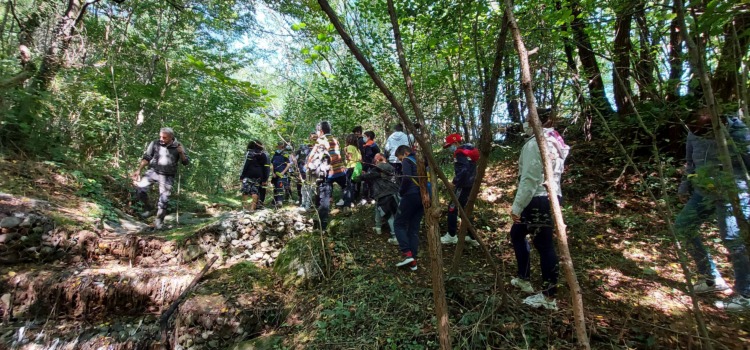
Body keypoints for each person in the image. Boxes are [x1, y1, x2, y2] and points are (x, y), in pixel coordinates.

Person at [676, 108, 750, 311]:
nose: (699, 136)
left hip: (732, 193)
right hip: (703, 192)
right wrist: (685, 185)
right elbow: (691, 162)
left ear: (716, 125)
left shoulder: (738, 132)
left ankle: (745, 293)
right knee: (683, 226)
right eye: (695, 132)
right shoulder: (694, 133)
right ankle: (710, 278)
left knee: (734, 240)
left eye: (703, 132)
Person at [509, 108, 569, 311]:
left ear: (536, 121)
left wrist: (517, 207)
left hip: (538, 199)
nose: (525, 123)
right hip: (551, 196)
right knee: (517, 234)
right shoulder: (555, 141)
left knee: (544, 246)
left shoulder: (536, 143)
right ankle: (524, 278)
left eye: (527, 119)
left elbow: (530, 179)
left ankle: (548, 296)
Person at [132, 127, 190, 230]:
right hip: (153, 171)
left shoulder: (178, 146)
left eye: (164, 137)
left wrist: (181, 153)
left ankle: (159, 223)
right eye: (160, 136)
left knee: (164, 199)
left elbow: (185, 162)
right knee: (139, 188)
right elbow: (147, 157)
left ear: (171, 137)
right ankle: (148, 209)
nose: (161, 139)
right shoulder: (155, 143)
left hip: (168, 175)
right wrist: (138, 170)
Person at [440, 133, 480, 247]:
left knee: (452, 207)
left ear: (455, 143)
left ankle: (451, 235)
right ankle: (473, 237)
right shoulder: (468, 151)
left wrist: (455, 182)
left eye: (450, 145)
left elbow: (464, 169)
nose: (450, 148)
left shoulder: (460, 153)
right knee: (465, 210)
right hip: (470, 184)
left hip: (462, 185)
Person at [393, 145, 424, 271]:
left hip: (410, 196)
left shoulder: (407, 160)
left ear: (405, 153)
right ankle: (413, 262)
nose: (401, 161)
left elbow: (406, 177)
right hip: (424, 198)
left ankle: (407, 253)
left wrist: (401, 191)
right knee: (413, 228)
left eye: (400, 158)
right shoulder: (421, 160)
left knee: (398, 224)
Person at [361, 153, 399, 244]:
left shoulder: (379, 167)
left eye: (376, 158)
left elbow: (367, 176)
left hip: (384, 194)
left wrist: (360, 176)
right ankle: (378, 227)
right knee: (379, 208)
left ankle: (395, 237)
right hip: (393, 193)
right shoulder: (391, 167)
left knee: (389, 215)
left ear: (380, 159)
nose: (375, 160)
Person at [239, 140, 270, 211]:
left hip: (248, 174)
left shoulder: (250, 153)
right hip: (258, 175)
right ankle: (252, 208)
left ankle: (245, 208)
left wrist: (242, 176)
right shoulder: (264, 154)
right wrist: (265, 179)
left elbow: (246, 164)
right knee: (255, 191)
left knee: (245, 191)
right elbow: (266, 167)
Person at [337, 134, 362, 208]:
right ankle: (352, 200)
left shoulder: (349, 147)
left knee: (349, 186)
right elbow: (361, 159)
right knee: (353, 185)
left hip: (351, 167)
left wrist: (345, 152)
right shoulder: (357, 149)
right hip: (357, 167)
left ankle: (348, 203)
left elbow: (349, 158)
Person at [295, 133, 315, 206]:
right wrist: (297, 168)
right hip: (303, 169)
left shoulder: (319, 146)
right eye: (311, 137)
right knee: (303, 186)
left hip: (314, 170)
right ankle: (303, 202)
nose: (313, 139)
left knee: (311, 187)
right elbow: (296, 158)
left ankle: (309, 203)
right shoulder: (304, 147)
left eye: (314, 137)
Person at [361, 130, 381, 204]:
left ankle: (367, 197)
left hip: (370, 166)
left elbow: (368, 158)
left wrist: (364, 168)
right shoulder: (374, 144)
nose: (363, 138)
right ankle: (372, 197)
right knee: (372, 182)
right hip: (374, 166)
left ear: (369, 137)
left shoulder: (369, 146)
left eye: (365, 136)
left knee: (367, 181)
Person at [271, 141, 292, 207]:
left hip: (282, 173)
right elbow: (272, 164)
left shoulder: (285, 154)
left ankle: (280, 201)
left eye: (281, 146)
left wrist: (283, 172)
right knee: (275, 187)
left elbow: (288, 164)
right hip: (275, 174)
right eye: (278, 146)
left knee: (280, 186)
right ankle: (275, 200)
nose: (280, 147)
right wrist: (273, 172)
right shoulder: (275, 154)